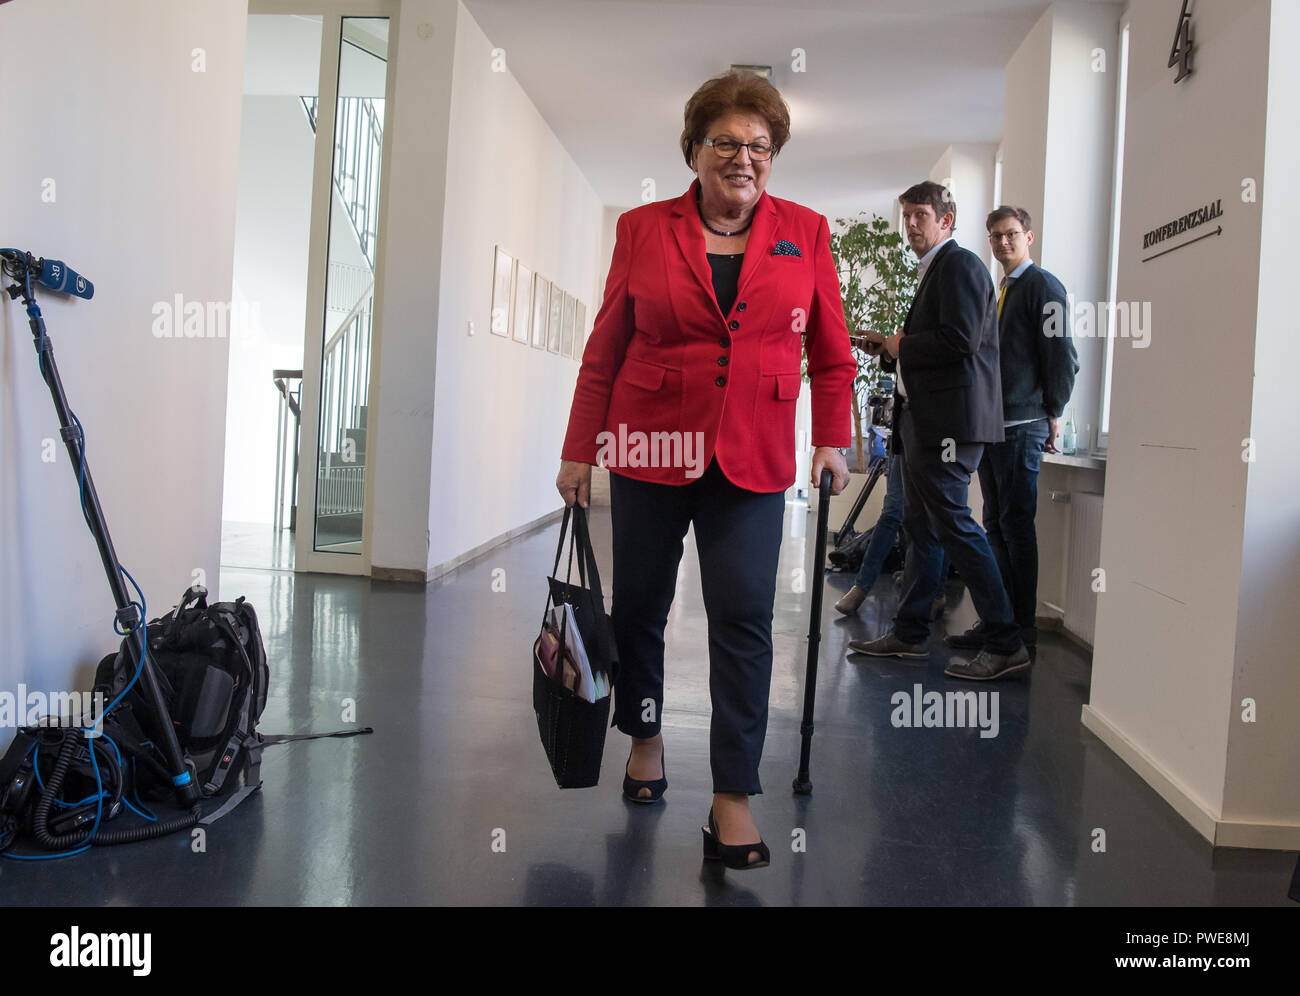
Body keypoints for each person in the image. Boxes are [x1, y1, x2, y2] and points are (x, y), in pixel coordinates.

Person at [555, 71, 855, 869]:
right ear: (693, 151)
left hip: (753, 458)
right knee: (642, 606)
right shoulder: (645, 230)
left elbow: (832, 353)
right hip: (652, 447)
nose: (743, 157)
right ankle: (645, 735)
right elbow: (606, 347)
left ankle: (732, 794)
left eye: (760, 146)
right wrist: (578, 447)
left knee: (745, 618)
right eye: (725, 142)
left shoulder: (808, 232)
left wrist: (832, 439)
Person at [848, 181, 1029, 681]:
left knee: (955, 527)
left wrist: (901, 343)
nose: (910, 225)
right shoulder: (935, 271)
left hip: (950, 425)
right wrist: (889, 348)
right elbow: (936, 344)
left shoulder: (962, 265)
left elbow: (962, 340)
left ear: (946, 220)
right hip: (926, 420)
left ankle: (1006, 642)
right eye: (906, 215)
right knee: (921, 527)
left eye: (920, 215)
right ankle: (908, 633)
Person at [947, 206, 1078, 653]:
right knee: (995, 525)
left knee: (1016, 525)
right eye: (995, 236)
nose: (1003, 243)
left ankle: (1021, 628)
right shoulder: (1002, 288)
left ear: (1029, 237)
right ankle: (997, 619)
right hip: (993, 426)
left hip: (1024, 426)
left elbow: (1062, 357)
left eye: (1011, 235)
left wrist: (1053, 411)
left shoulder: (1043, 287)